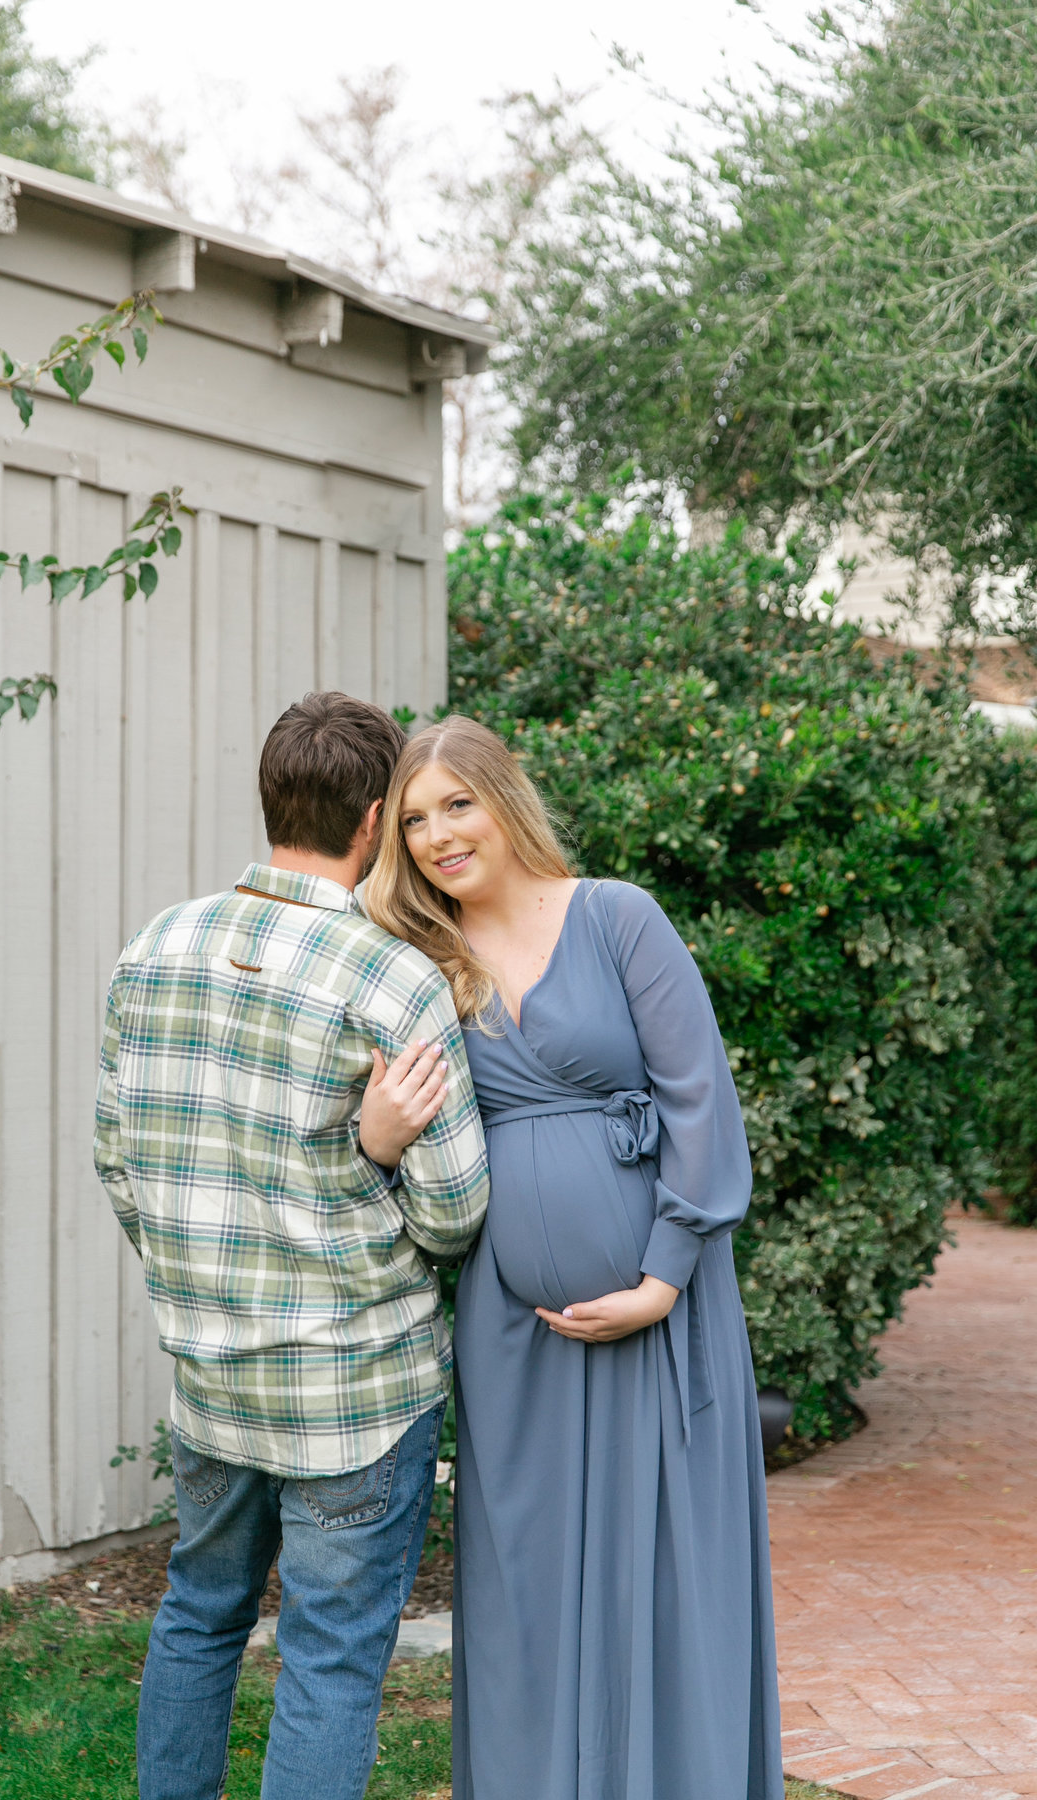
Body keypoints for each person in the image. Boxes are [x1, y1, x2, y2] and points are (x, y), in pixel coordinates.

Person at [364, 714, 784, 1800]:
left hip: (662, 1309)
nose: (439, 834)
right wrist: (378, 1138)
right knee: (527, 1585)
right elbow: (387, 1124)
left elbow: (699, 1098)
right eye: (414, 819)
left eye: (457, 803)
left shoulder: (616, 919)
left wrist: (663, 1275)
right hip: (516, 1337)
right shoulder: (417, 961)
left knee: (666, 1574)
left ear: (504, 798)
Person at [94, 691, 490, 1800]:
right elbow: (456, 1211)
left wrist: (200, 1276)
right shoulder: (392, 978)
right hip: (357, 1392)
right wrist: (372, 1162)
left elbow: (118, 1163)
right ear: (373, 821)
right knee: (330, 1660)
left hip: (212, 1373)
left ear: (273, 798)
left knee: (198, 1616)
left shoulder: (155, 947)